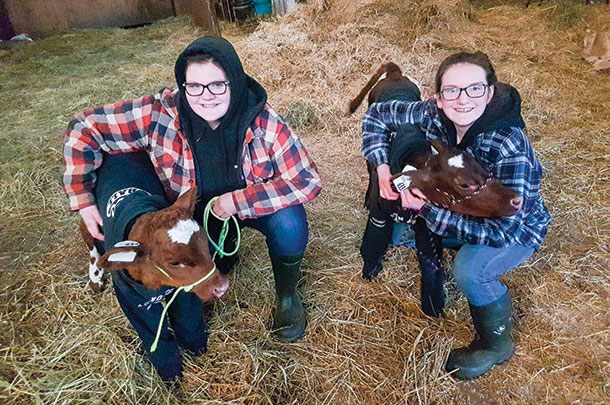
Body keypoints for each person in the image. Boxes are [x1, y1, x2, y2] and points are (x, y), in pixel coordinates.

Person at [63, 36, 321, 381]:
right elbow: (84, 127)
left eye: (217, 84)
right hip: (188, 218)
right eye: (194, 86)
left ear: (235, 79)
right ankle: (208, 272)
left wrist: (237, 201)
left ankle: (288, 298)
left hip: (244, 208)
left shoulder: (265, 122)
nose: (206, 95)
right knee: (195, 261)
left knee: (290, 222)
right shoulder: (160, 113)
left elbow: (306, 181)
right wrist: (82, 198)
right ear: (182, 86)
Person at [360, 51, 551, 380]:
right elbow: (377, 116)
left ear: (489, 92)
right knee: (401, 230)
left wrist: (429, 211)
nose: (462, 100)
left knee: (470, 270)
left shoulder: (509, 146)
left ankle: (495, 345)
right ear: (438, 96)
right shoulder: (435, 113)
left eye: (474, 88)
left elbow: (504, 229)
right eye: (452, 90)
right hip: (459, 205)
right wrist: (379, 166)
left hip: (513, 227)